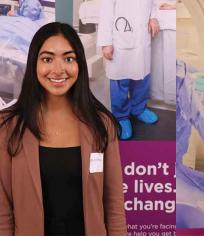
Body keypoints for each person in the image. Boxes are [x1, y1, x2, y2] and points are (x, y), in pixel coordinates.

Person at [0, 22, 127, 235]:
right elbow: (2, 212)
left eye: (69, 59)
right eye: (47, 59)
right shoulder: (8, 126)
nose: (58, 70)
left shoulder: (101, 124)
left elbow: (114, 206)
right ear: (34, 64)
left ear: (80, 65)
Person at [97, 0, 160, 140]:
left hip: (142, 40)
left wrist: (153, 17)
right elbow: (106, 14)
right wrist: (106, 42)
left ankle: (139, 108)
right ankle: (121, 117)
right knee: (120, 80)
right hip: (120, 41)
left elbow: (153, 4)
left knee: (142, 77)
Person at [150, 0, 176, 105]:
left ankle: (172, 97)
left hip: (172, 20)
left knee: (171, 64)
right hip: (155, 21)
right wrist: (152, 17)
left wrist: (174, 6)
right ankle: (157, 96)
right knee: (157, 63)